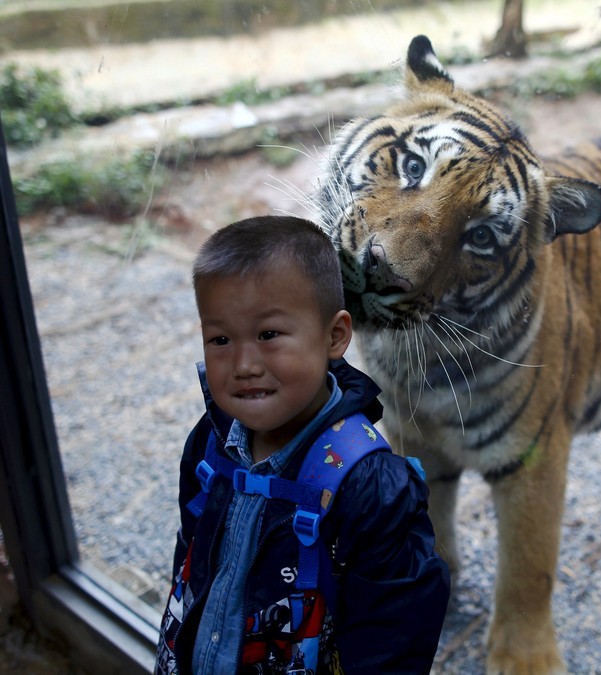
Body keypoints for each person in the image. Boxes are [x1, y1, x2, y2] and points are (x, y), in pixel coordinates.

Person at [155, 215, 450, 675]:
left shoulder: (370, 486)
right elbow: (191, 558)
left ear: (334, 336)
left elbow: (395, 636)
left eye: (268, 334)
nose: (243, 364)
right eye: (220, 339)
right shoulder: (209, 443)